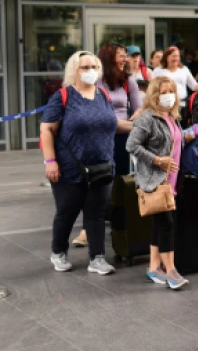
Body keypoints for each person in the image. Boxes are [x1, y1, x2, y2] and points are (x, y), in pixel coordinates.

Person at [40, 51, 132, 275]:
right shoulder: (63, 96)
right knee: (67, 212)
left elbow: (112, 123)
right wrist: (50, 161)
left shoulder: (103, 94)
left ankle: (97, 258)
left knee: (96, 213)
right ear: (74, 70)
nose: (90, 71)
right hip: (70, 168)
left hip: (102, 166)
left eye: (93, 67)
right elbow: (47, 129)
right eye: (85, 67)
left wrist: (139, 125)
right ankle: (58, 252)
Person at [126, 76, 198, 290]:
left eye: (171, 91)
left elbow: (175, 140)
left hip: (171, 181)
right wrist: (157, 160)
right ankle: (171, 270)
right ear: (154, 95)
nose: (169, 96)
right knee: (167, 224)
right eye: (163, 92)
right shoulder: (147, 118)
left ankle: (154, 267)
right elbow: (131, 145)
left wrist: (193, 134)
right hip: (155, 181)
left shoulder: (172, 116)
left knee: (159, 224)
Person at [152, 47, 198, 121]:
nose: (176, 58)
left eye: (178, 56)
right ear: (167, 57)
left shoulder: (184, 69)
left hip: (182, 106)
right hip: (164, 107)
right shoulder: (158, 71)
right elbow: (152, 89)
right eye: (173, 56)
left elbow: (194, 86)